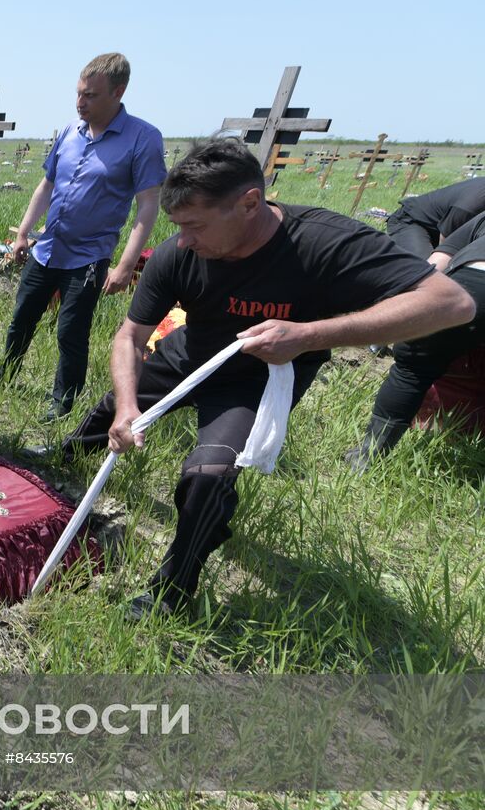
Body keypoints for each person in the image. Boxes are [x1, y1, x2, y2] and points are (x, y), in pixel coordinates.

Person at [56, 138, 474, 619]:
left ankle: (172, 589)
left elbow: (451, 303)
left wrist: (309, 335)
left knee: (208, 478)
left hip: (258, 382)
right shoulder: (180, 252)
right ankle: (65, 458)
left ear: (249, 204)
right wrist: (130, 407)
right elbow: (130, 337)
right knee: (113, 408)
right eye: (178, 227)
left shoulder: (324, 243)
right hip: (189, 355)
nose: (183, 240)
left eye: (195, 225)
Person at [0, 53, 165, 420]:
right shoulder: (71, 131)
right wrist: (24, 232)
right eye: (78, 93)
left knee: (71, 331)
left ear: (118, 92)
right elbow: (46, 185)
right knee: (22, 316)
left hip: (88, 256)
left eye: (91, 95)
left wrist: (125, 264)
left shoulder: (142, 139)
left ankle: (63, 401)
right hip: (47, 248)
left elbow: (147, 205)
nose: (80, 103)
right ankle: (4, 376)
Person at [346, 210, 485, 470]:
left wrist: (415, 317)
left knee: (413, 367)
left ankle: (368, 457)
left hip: (476, 281)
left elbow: (437, 265)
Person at [385, 179, 485, 260]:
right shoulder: (471, 206)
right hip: (412, 221)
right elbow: (445, 245)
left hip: (444, 228)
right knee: (426, 271)